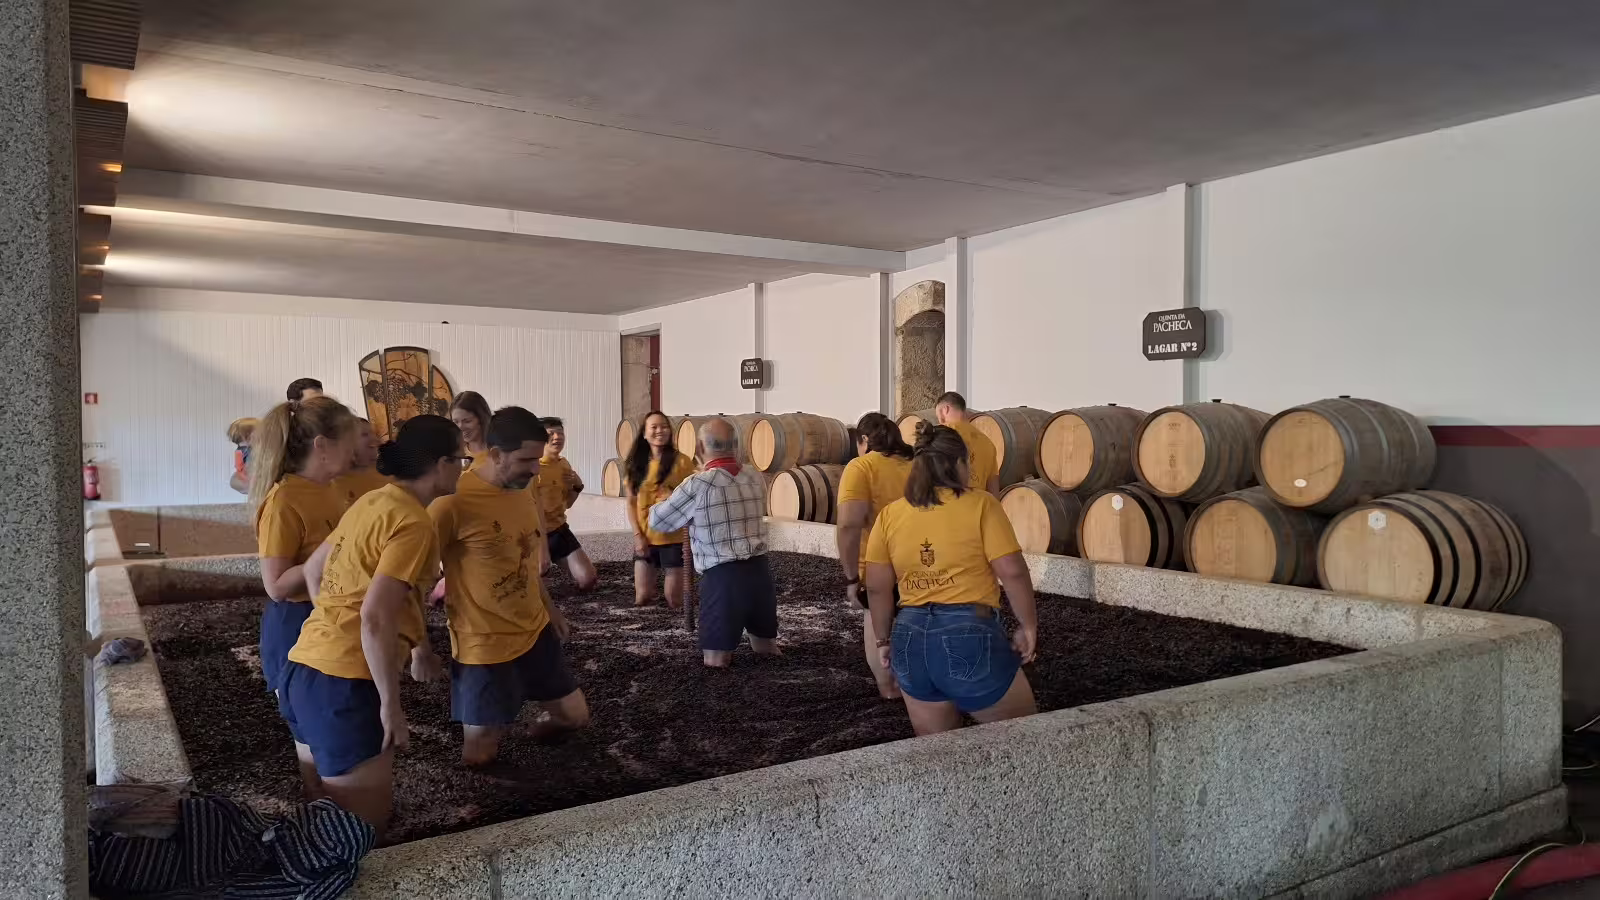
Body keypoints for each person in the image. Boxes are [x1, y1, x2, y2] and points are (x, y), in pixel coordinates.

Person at [280, 415, 464, 831]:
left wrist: (336, 626)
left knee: (321, 817)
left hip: (303, 669)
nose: (463, 469)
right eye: (461, 459)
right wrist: (390, 706)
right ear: (442, 464)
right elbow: (376, 616)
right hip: (345, 687)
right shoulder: (414, 523)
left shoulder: (372, 501)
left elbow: (313, 569)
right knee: (364, 833)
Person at [431, 407, 589, 766]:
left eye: (537, 459)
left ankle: (529, 729)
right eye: (527, 460)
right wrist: (416, 647)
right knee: (479, 756)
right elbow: (413, 574)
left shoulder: (522, 487)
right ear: (496, 454)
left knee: (575, 718)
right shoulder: (452, 501)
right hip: (482, 643)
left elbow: (525, 558)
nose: (536, 469)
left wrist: (550, 608)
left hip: (534, 629)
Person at [864, 424, 1040, 736]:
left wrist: (882, 641)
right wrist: (1028, 625)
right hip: (969, 633)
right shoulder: (982, 504)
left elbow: (877, 588)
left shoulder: (890, 515)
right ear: (959, 463)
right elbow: (1011, 571)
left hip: (909, 638)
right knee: (1024, 740)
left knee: (937, 754)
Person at [248, 397, 357, 794]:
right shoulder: (284, 499)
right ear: (322, 446)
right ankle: (320, 809)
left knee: (331, 725)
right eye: (350, 441)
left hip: (328, 615)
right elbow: (275, 584)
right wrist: (334, 548)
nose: (356, 450)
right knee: (311, 728)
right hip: (295, 624)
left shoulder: (332, 489)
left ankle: (332, 806)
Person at [648, 418, 777, 668]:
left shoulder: (698, 484)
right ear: (736, 446)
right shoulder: (754, 476)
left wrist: (665, 498)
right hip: (760, 573)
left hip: (723, 577)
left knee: (716, 661)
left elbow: (658, 521)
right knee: (766, 650)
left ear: (699, 447)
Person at [835, 412, 915, 699]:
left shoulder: (861, 467)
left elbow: (848, 525)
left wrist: (851, 577)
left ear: (865, 440)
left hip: (880, 569)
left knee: (881, 636)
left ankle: (892, 693)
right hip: (923, 564)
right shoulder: (917, 464)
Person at [624, 410, 696, 609]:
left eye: (664, 427)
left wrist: (673, 497)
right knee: (642, 597)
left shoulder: (682, 462)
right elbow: (630, 502)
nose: (659, 431)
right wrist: (637, 536)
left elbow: (693, 498)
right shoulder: (635, 464)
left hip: (674, 540)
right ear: (644, 433)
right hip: (646, 537)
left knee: (674, 599)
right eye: (654, 427)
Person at [535, 416, 598, 591]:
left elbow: (567, 504)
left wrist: (577, 487)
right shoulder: (533, 468)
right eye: (551, 434)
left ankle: (553, 564)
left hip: (558, 530)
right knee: (536, 590)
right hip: (534, 534)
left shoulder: (563, 464)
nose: (557, 437)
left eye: (560, 433)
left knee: (588, 580)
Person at [934, 391, 1000, 495]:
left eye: (938, 415)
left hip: (945, 502)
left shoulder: (938, 436)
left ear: (945, 409)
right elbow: (993, 488)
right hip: (977, 503)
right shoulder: (987, 443)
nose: (939, 420)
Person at [332, 418, 391, 505]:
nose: (375, 439)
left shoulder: (386, 471)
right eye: (364, 434)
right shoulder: (334, 483)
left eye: (373, 433)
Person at [449, 391, 494, 469]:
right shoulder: (453, 453)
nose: (460, 427)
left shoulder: (497, 451)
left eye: (467, 421)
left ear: (482, 419)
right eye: (455, 422)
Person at [227, 417, 258, 495]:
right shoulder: (241, 451)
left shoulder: (254, 448)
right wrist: (244, 476)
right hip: (250, 476)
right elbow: (239, 467)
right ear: (248, 436)